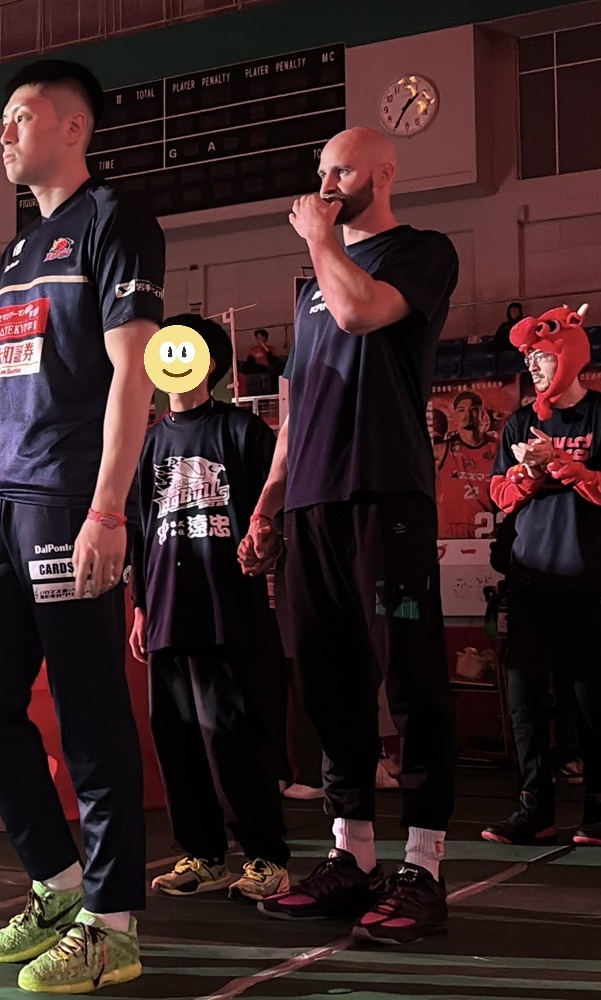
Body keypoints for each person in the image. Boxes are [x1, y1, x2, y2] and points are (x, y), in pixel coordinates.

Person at [0, 59, 164, 993]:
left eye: (19, 118)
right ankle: (58, 884)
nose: (3, 136)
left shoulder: (116, 221)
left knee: (90, 711)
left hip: (68, 501)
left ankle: (113, 924)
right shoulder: (18, 252)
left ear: (73, 126)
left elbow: (133, 374)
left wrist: (108, 507)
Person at [239, 127, 459, 945]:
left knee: (410, 679)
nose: (325, 180)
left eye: (341, 168)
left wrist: (321, 238)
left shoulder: (420, 252)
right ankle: (351, 855)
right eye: (320, 170)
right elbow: (296, 406)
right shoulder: (312, 286)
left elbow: (361, 312)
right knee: (329, 684)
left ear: (384, 172)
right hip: (312, 505)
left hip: (384, 492)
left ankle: (424, 867)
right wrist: (269, 503)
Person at [129, 314, 291, 904]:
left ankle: (265, 856)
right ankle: (202, 852)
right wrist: (141, 607)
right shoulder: (149, 443)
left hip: (228, 611)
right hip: (167, 612)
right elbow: (142, 531)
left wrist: (268, 545)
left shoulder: (243, 431)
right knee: (175, 736)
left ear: (210, 363)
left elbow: (275, 511)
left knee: (233, 735)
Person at [481, 304, 601, 848]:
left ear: (568, 356)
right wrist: (528, 472)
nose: (532, 366)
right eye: (528, 358)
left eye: (542, 356)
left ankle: (598, 809)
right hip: (530, 580)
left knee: (590, 699)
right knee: (525, 699)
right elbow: (500, 495)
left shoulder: (598, 414)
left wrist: (567, 466)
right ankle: (535, 808)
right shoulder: (518, 422)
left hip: (589, 581)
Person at [435, 391, 499, 539]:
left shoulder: (497, 449)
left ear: (481, 414)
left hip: (486, 534)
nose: (467, 415)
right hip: (449, 536)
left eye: (473, 409)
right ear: (455, 416)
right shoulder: (442, 450)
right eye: (461, 410)